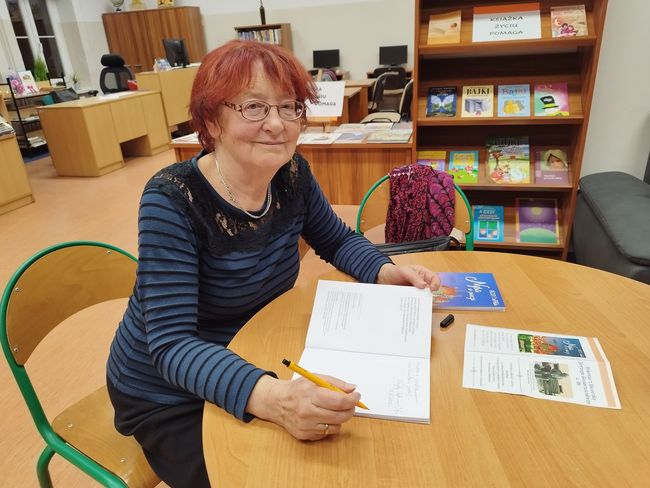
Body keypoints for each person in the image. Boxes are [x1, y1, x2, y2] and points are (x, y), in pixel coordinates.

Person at [106, 40, 440, 488]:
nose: (278, 124)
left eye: (288, 106)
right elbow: (172, 345)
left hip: (253, 349)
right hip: (166, 391)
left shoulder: (291, 174)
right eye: (254, 107)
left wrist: (385, 271)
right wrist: (278, 399)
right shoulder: (172, 199)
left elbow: (336, 239)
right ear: (211, 120)